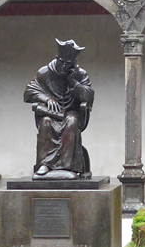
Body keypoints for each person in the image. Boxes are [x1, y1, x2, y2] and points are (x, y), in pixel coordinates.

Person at [24, 39, 94, 179]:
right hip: (51, 112)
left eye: (68, 64)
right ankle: (44, 164)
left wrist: (73, 82)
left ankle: (67, 166)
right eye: (62, 62)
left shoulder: (80, 74)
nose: (64, 66)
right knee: (46, 122)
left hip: (71, 112)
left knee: (71, 122)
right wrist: (47, 99)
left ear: (73, 63)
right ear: (57, 58)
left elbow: (88, 96)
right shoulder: (44, 72)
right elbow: (28, 92)